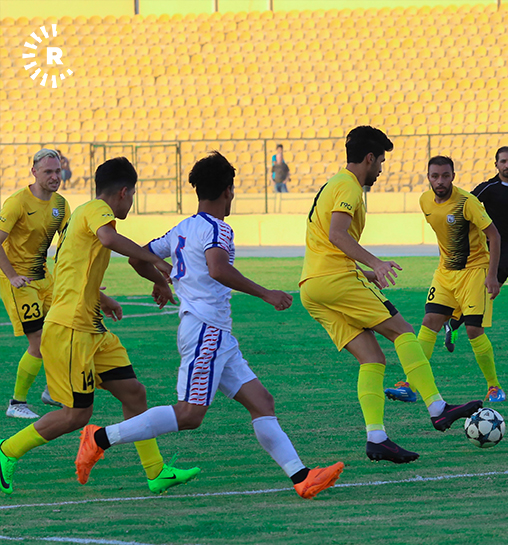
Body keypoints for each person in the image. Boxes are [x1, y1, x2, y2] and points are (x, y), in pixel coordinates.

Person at [75, 152, 343, 500]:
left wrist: (159, 280)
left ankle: (301, 477)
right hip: (205, 330)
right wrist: (266, 293)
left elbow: (137, 258)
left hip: (215, 333)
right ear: (228, 191)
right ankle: (99, 438)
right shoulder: (218, 229)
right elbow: (217, 268)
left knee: (262, 402)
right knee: (189, 414)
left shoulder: (183, 228)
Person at [0, 157, 200, 496]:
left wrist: (103, 299)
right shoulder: (97, 211)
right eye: (132, 195)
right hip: (71, 329)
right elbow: (107, 239)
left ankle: (156, 472)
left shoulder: (82, 214)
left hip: (91, 326)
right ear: (123, 192)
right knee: (77, 415)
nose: (131, 202)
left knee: (134, 392)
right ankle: (7, 450)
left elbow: (73, 268)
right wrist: (156, 261)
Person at [299, 126, 482, 464]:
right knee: (403, 331)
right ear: (369, 158)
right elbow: (337, 234)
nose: (381, 169)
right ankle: (437, 408)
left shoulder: (333, 184)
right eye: (381, 161)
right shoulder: (348, 186)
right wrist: (375, 263)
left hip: (312, 286)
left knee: (372, 358)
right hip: (335, 279)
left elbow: (325, 243)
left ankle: (377, 438)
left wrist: (365, 274)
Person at [384, 156, 504, 405]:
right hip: (445, 272)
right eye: (435, 176)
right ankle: (409, 385)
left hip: (474, 271)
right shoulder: (424, 201)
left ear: (453, 177)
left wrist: (492, 275)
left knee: (474, 330)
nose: (440, 181)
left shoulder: (467, 203)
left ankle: (494, 386)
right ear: (428, 177)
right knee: (429, 321)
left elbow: (494, 235)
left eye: (445, 176)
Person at [445, 146, 508, 351]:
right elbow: (467, 205)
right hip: (495, 246)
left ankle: (453, 323)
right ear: (496, 164)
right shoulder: (489, 188)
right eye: (503, 161)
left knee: (488, 293)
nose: (507, 165)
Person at [0, 149, 68, 419]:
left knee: (61, 329)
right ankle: (16, 403)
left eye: (57, 171)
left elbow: (69, 247)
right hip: (19, 281)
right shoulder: (17, 203)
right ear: (34, 173)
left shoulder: (61, 205)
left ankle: (52, 390)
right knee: (38, 340)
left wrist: (82, 279)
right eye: (48, 171)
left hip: (44, 278)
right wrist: (12, 276)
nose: (54, 176)